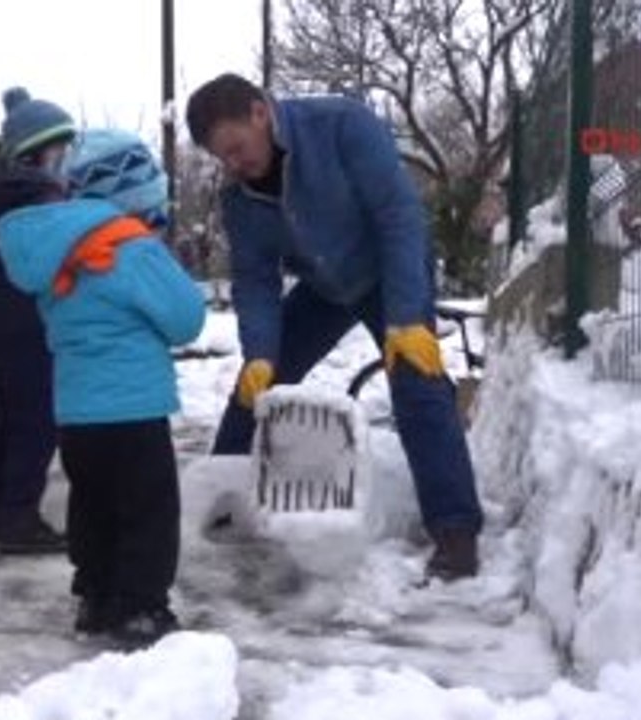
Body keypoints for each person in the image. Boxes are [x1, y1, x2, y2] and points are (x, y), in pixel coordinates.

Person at [185, 73, 484, 581]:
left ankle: (456, 533)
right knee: (255, 389)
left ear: (260, 112)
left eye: (236, 148)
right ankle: (221, 499)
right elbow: (255, 281)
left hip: (388, 272)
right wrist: (261, 354)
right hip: (324, 287)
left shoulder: (341, 125)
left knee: (417, 381)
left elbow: (398, 217)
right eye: (222, 158)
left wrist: (406, 319)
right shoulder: (239, 198)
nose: (233, 165)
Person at [0, 128, 205, 647]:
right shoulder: (133, 248)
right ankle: (140, 607)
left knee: (92, 504)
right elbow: (186, 319)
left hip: (77, 414)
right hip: (134, 410)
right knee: (147, 510)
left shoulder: (60, 255)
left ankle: (96, 597)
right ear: (136, 193)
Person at [0, 87, 74, 554]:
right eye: (60, 147)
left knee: (5, 422)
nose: (66, 156)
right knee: (36, 421)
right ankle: (19, 519)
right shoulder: (38, 195)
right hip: (27, 318)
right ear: (38, 150)